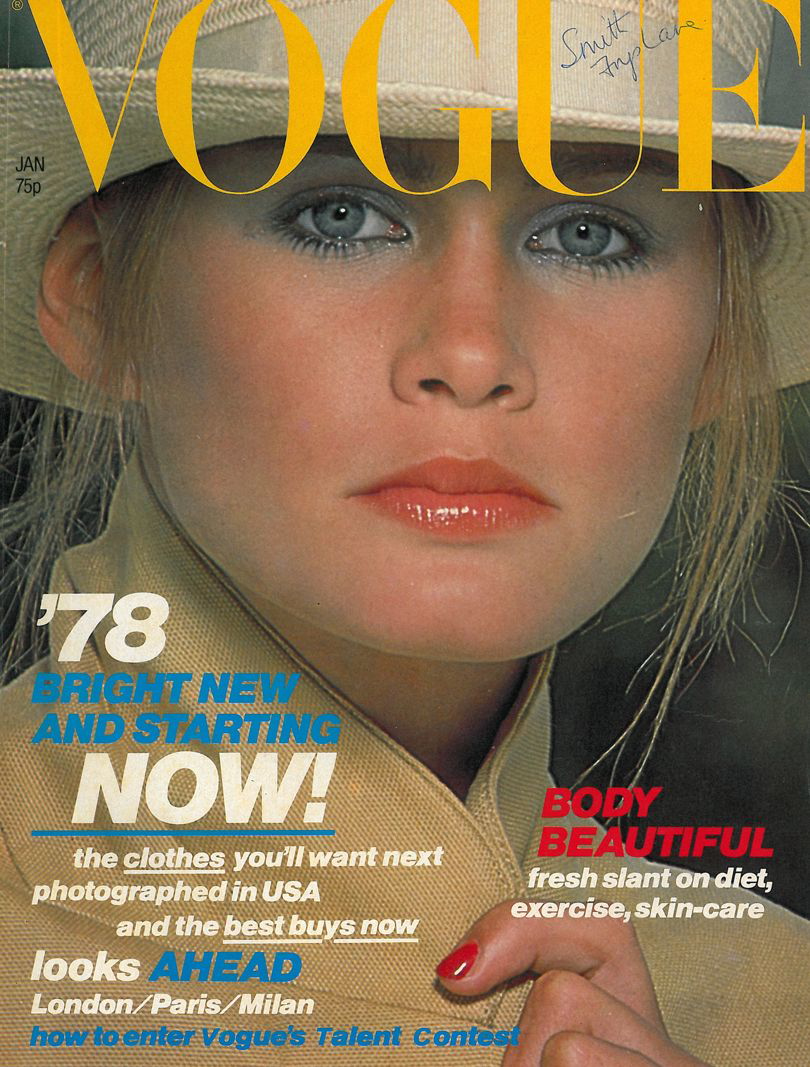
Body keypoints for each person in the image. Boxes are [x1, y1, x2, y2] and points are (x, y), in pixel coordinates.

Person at [1, 1, 808, 1064]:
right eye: (340, 216)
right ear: (100, 296)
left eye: (589, 233)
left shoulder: (780, 1003)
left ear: (716, 346)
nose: (471, 355)